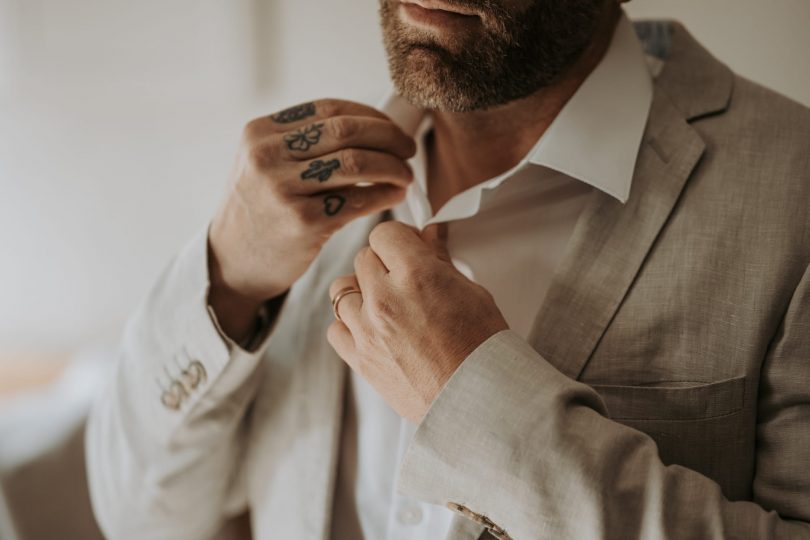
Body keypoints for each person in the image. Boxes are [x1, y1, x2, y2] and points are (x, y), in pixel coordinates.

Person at [85, 0, 810, 538]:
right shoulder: (289, 202)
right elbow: (137, 516)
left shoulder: (792, 194)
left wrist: (480, 406)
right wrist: (226, 277)